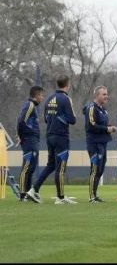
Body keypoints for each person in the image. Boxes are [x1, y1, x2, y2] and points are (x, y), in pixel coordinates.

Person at [28, 75, 77, 204]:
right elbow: (73, 120)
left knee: (51, 165)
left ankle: (33, 190)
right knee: (60, 167)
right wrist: (63, 118)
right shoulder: (66, 99)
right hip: (61, 137)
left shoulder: (49, 98)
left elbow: (45, 118)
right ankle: (60, 198)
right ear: (68, 85)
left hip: (50, 135)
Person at [84, 86, 117, 203]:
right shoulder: (91, 108)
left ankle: (95, 194)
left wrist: (110, 127)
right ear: (97, 95)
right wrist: (107, 129)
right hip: (94, 143)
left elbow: (102, 125)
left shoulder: (103, 109)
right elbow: (91, 126)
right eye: (104, 94)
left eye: (106, 94)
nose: (106, 96)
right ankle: (91, 196)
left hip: (103, 143)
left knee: (100, 170)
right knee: (95, 169)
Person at [16, 86, 44, 202]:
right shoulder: (30, 105)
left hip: (32, 140)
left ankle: (28, 193)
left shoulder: (33, 107)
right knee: (26, 167)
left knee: (31, 167)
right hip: (29, 140)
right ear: (36, 95)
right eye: (42, 95)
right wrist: (22, 136)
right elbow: (21, 121)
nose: (42, 98)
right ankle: (22, 194)